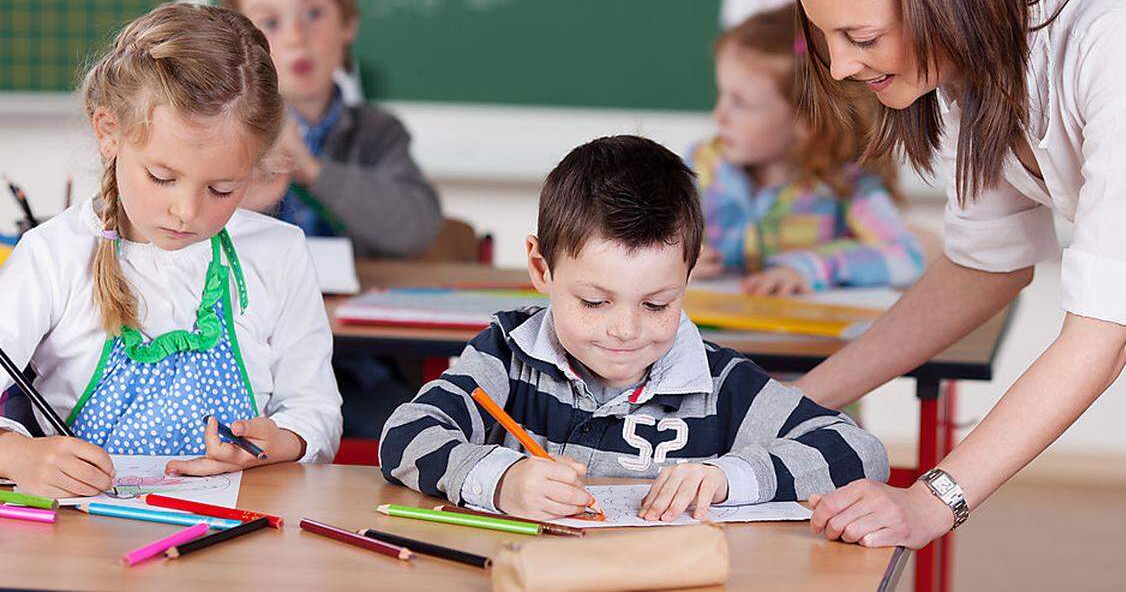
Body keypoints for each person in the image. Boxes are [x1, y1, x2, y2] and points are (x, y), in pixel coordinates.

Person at [787, 0, 1126, 588]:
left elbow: (1103, 334)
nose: (839, 68)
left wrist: (930, 500)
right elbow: (986, 265)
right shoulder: (964, 56)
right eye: (825, 38)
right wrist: (795, 408)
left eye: (860, 38)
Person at [377, 135, 888, 520]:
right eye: (595, 301)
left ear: (688, 275)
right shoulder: (508, 356)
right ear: (541, 269)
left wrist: (728, 476)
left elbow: (858, 453)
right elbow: (403, 436)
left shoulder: (721, 384)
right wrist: (501, 479)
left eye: (657, 304)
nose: (625, 330)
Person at [0, 3, 343, 497]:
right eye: (162, 178)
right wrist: (17, 454)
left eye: (223, 189)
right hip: (83, 543)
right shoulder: (54, 255)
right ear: (108, 133)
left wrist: (282, 441)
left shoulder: (278, 252)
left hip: (233, 534)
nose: (187, 211)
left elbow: (317, 411)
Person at [216, 0, 442, 257]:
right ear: (241, 38)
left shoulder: (378, 133)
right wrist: (242, 197)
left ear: (348, 23)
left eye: (314, 13)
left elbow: (418, 227)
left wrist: (311, 171)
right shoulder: (218, 127)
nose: (296, 37)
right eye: (271, 22)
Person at [692, 4, 924, 295]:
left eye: (740, 103)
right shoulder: (700, 168)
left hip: (809, 337)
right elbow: (644, 240)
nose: (719, 116)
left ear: (807, 119)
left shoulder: (846, 185)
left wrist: (812, 267)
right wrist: (677, 260)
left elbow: (906, 257)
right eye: (721, 94)